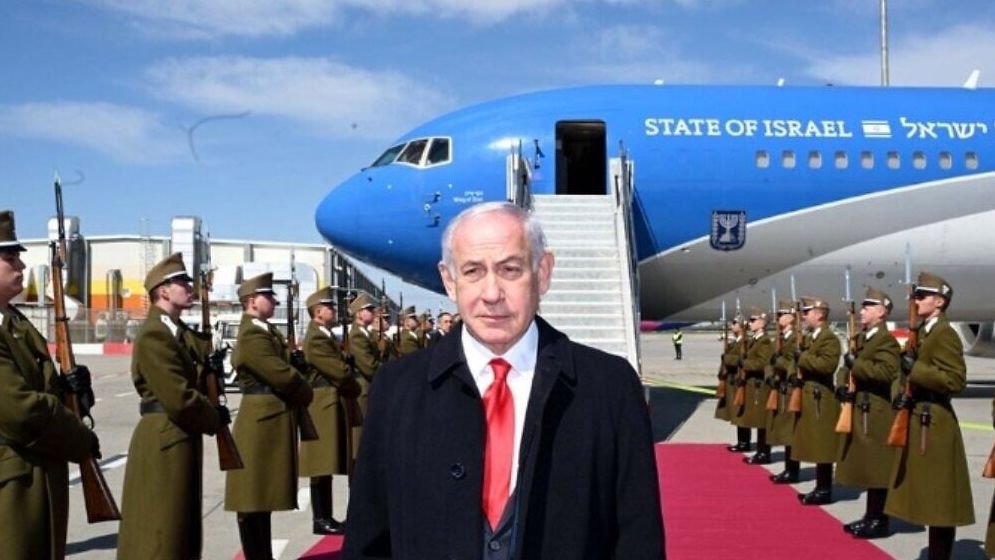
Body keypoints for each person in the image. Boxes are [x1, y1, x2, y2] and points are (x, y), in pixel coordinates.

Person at [343, 202, 665, 559]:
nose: (492, 294)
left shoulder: (610, 387)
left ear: (543, 272)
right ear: (449, 281)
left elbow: (639, 538)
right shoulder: (397, 389)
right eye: (473, 271)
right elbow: (368, 537)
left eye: (510, 270)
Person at [0, 210, 101, 559]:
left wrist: (73, 391)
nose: (21, 266)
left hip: (37, 473)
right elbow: (20, 410)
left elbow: (43, 392)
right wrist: (79, 438)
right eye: (9, 258)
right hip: (12, 484)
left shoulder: (16, 322)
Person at [117, 253, 228, 559]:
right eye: (182, 282)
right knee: (161, 532)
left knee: (179, 530)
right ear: (163, 291)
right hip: (164, 437)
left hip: (179, 435)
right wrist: (213, 418)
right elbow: (179, 397)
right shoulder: (155, 332)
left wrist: (211, 367)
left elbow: (195, 372)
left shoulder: (176, 330)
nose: (189, 288)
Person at [225, 272, 314, 560]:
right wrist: (302, 384)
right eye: (268, 296)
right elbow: (280, 374)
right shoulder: (252, 334)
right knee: (252, 497)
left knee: (262, 496)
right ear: (252, 301)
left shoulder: (265, 330)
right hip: (260, 421)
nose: (274, 301)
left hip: (272, 417)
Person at [884, 272, 973, 560]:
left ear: (940, 301)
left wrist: (917, 370)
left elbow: (955, 380)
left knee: (940, 500)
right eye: (915, 296)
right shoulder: (922, 331)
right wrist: (901, 392)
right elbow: (903, 373)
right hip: (918, 416)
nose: (915, 301)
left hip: (935, 423)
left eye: (921, 296)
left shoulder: (944, 333)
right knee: (927, 496)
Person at [834, 287, 900, 539]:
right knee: (868, 466)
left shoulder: (886, 341)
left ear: (881, 312)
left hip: (876, 412)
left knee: (878, 468)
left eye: (868, 307)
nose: (862, 311)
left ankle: (880, 520)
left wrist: (857, 364)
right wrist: (842, 385)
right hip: (861, 409)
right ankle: (870, 516)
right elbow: (845, 368)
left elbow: (886, 372)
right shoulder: (862, 338)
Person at [299, 287, 361, 536]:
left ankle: (325, 516)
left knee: (325, 463)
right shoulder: (316, 338)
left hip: (330, 401)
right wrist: (351, 379)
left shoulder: (325, 335)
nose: (334, 310)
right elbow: (338, 371)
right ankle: (321, 518)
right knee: (320, 464)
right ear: (317, 312)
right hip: (322, 403)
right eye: (329, 307)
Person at [792, 296, 841, 505]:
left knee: (823, 446)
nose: (804, 316)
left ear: (819, 314)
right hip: (812, 397)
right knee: (818, 444)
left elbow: (826, 366)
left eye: (807, 312)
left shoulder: (829, 338)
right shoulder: (814, 337)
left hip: (822, 399)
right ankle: (820, 488)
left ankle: (824, 490)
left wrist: (802, 358)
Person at [735, 308, 774, 464]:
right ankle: (760, 451)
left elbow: (762, 363)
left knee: (762, 421)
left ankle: (764, 453)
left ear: (762, 323)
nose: (749, 323)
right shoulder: (755, 340)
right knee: (758, 420)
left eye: (753, 320)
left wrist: (744, 363)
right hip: (753, 386)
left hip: (760, 387)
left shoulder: (764, 341)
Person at [767, 300, 800, 483]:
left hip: (790, 390)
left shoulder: (796, 339)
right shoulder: (780, 339)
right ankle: (788, 469)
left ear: (791, 318)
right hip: (780, 389)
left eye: (781, 315)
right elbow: (769, 362)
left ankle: (792, 471)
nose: (777, 318)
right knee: (786, 432)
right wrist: (770, 376)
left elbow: (792, 366)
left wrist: (777, 362)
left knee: (790, 432)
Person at [721, 317, 752, 452]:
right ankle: (741, 441)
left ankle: (744, 442)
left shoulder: (745, 342)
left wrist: (727, 358)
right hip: (733, 381)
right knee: (738, 412)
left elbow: (739, 360)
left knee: (741, 413)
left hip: (740, 381)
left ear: (741, 326)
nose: (732, 325)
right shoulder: (736, 342)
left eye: (734, 323)